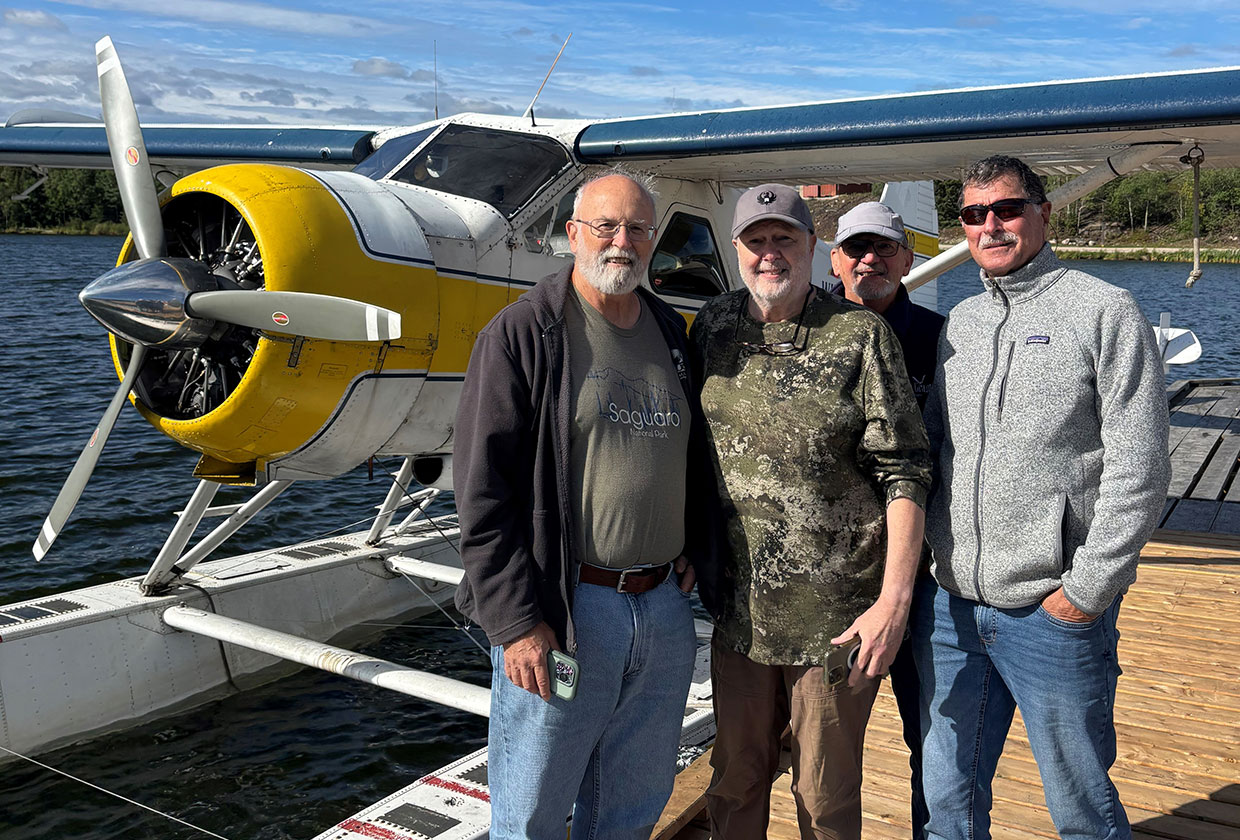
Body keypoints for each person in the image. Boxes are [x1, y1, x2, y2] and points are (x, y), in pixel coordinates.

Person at [453, 169, 719, 840]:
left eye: (636, 228)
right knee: (533, 812)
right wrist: (515, 622)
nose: (621, 242)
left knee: (631, 806)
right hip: (566, 608)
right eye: (605, 226)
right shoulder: (522, 334)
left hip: (660, 608)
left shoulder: (670, 332)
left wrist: (695, 543)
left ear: (653, 240)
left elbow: (687, 454)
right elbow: (483, 493)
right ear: (572, 234)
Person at [914, 155, 1172, 840]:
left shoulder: (1103, 310)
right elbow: (935, 450)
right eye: (974, 214)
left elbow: (1141, 468)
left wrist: (1086, 590)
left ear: (1042, 213)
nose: (990, 225)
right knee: (949, 801)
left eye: (1007, 209)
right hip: (951, 610)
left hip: (1052, 610)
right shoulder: (961, 322)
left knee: (1081, 807)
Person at [691, 183, 932, 839]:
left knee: (823, 797)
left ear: (811, 248)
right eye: (756, 240)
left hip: (837, 622)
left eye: (785, 239)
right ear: (738, 249)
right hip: (739, 617)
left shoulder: (860, 336)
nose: (770, 254)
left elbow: (906, 470)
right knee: (735, 781)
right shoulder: (712, 326)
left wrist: (894, 602)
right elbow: (689, 448)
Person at [829, 200, 944, 840]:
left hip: (916, 576)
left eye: (884, 248)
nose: (869, 258)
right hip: (824, 575)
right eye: (855, 248)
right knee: (818, 744)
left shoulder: (940, 337)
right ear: (837, 259)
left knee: (930, 734)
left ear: (906, 258)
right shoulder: (801, 329)